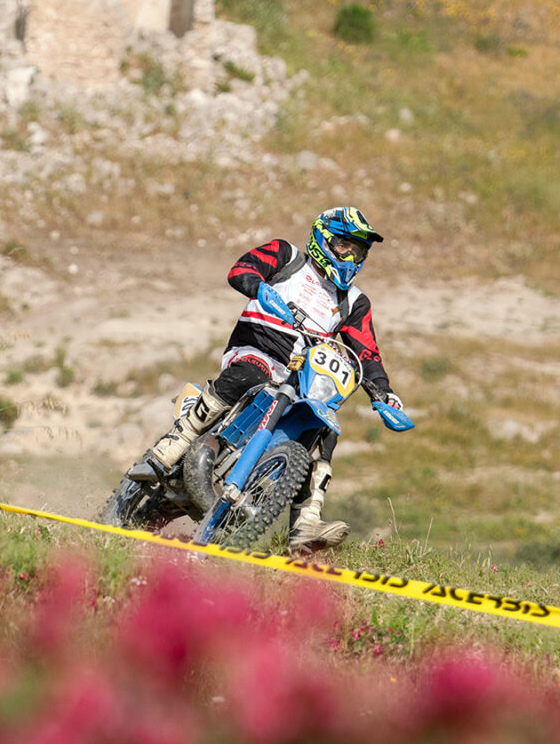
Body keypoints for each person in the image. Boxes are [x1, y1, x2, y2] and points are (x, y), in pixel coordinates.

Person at [140, 206, 402, 553]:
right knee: (253, 372)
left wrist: (385, 394)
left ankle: (307, 520)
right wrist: (259, 288)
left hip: (298, 376)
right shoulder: (287, 256)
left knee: (324, 427)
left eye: (359, 251)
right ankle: (176, 440)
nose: (351, 257)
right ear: (324, 239)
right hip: (255, 349)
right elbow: (241, 269)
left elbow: (366, 353)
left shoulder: (354, 302)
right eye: (345, 246)